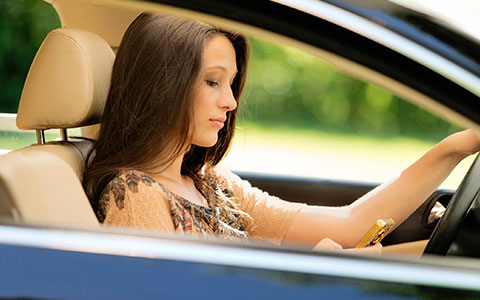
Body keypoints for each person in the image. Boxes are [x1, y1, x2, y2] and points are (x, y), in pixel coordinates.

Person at [83, 13, 480, 255]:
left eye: (231, 84)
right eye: (211, 82)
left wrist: (454, 148)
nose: (230, 103)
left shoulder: (210, 184)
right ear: (162, 85)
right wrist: (314, 278)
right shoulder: (134, 194)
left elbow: (348, 225)